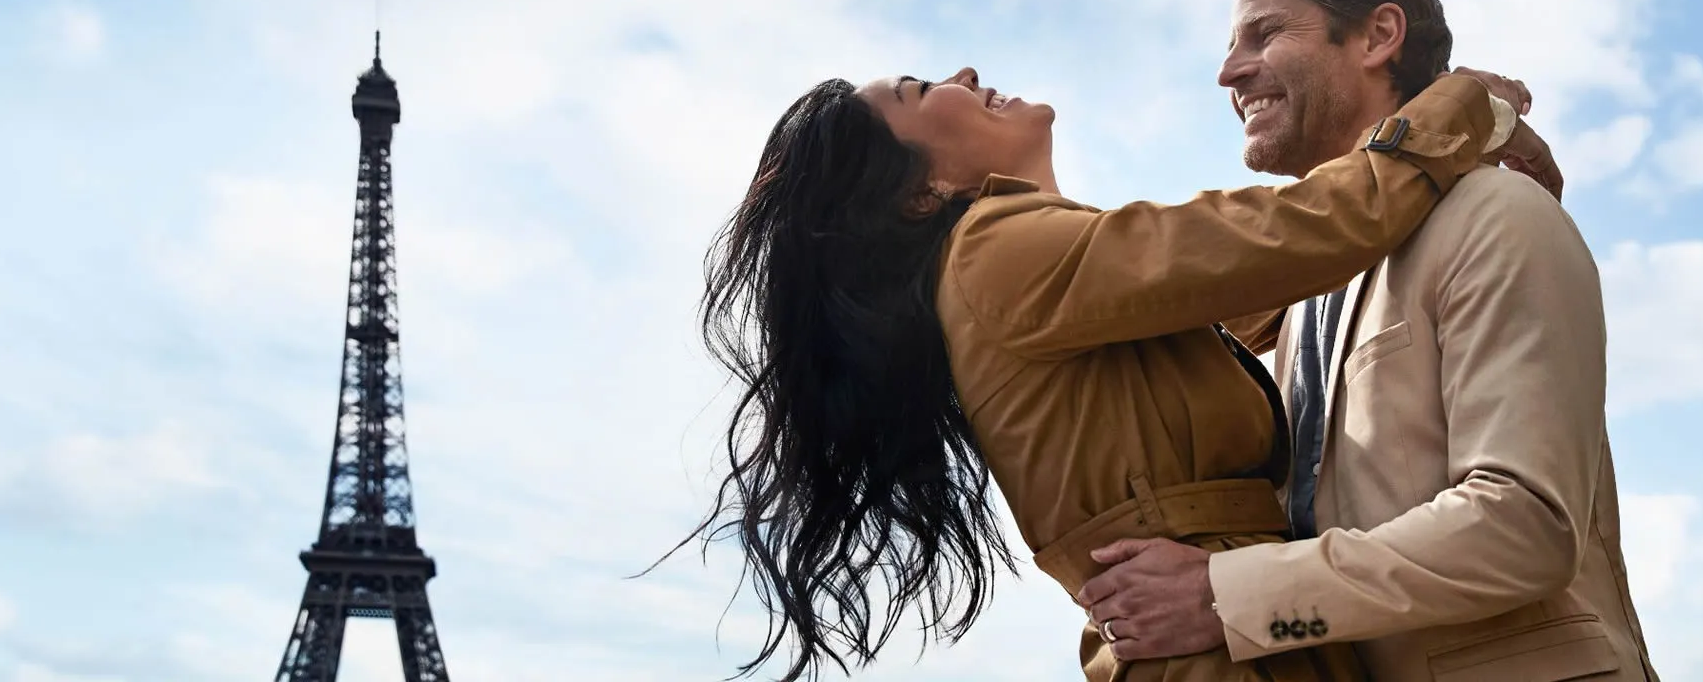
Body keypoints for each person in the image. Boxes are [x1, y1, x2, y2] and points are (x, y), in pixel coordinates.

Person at [661, 52, 1547, 681]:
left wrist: (1450, 178)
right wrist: (1466, 107)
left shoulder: (1031, 269)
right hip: (1214, 652)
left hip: (1230, 641)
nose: (966, 74)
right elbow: (1304, 234)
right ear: (920, 190)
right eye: (922, 89)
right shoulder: (998, 251)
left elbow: (1275, 292)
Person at [1072, 0, 1659, 682]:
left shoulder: (1500, 216)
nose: (1230, 73)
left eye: (1266, 34)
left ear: (1380, 36)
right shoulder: (1300, 289)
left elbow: (1525, 525)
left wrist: (1222, 597)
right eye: (1230, 48)